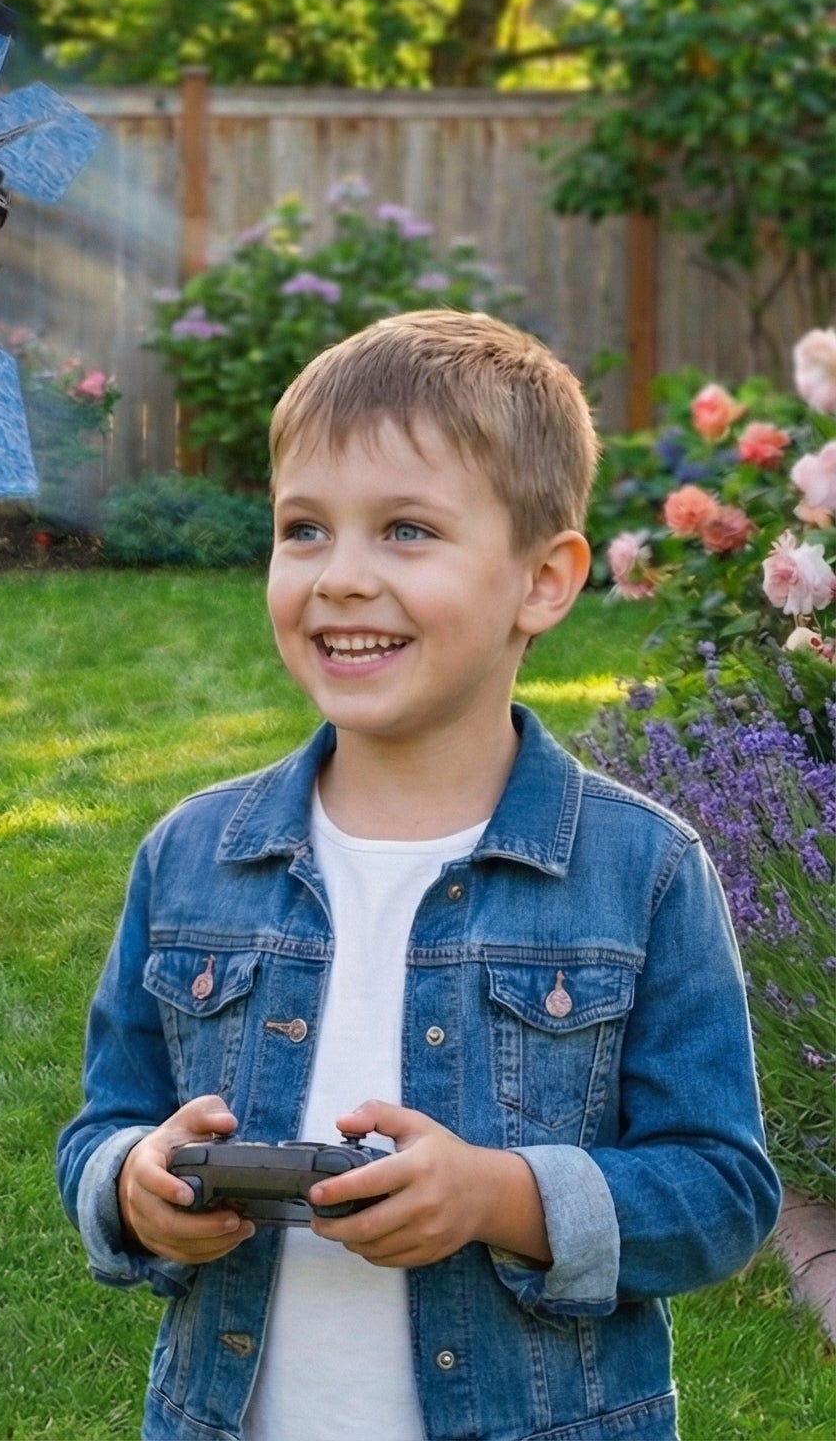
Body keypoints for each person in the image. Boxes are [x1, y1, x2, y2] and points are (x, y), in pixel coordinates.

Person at [57, 311, 781, 1441]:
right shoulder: (191, 855)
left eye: (403, 530)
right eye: (303, 529)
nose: (339, 577)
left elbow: (720, 1191)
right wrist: (133, 1181)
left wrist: (500, 1197)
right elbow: (104, 1121)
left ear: (541, 581)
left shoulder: (639, 871)